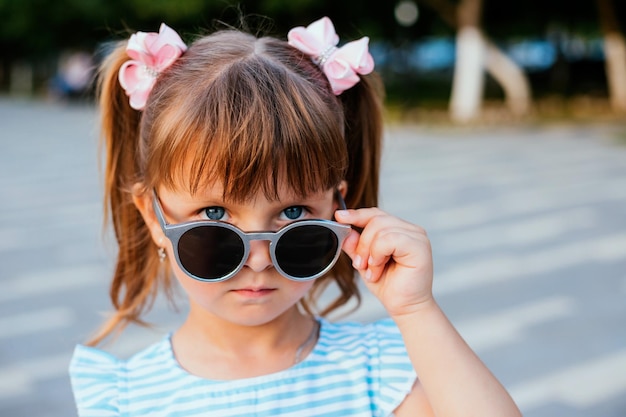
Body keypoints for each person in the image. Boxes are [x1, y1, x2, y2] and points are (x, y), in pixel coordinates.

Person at [69, 17, 522, 417]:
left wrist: (416, 309)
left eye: (292, 212)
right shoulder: (125, 399)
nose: (260, 258)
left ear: (338, 209)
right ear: (154, 216)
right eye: (213, 213)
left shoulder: (381, 369)